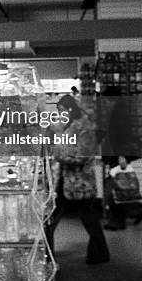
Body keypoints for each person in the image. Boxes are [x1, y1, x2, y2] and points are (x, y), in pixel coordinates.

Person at [48, 95, 110, 264]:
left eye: (62, 110)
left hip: (80, 181)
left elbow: (82, 155)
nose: (60, 113)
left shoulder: (85, 128)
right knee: (52, 217)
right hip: (64, 180)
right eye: (58, 110)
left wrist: (60, 156)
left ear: (71, 109)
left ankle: (100, 252)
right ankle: (47, 252)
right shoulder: (65, 126)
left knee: (88, 217)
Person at [104, 155, 142, 230]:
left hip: (118, 165)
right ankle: (138, 211)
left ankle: (117, 221)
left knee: (115, 194)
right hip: (116, 164)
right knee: (119, 194)